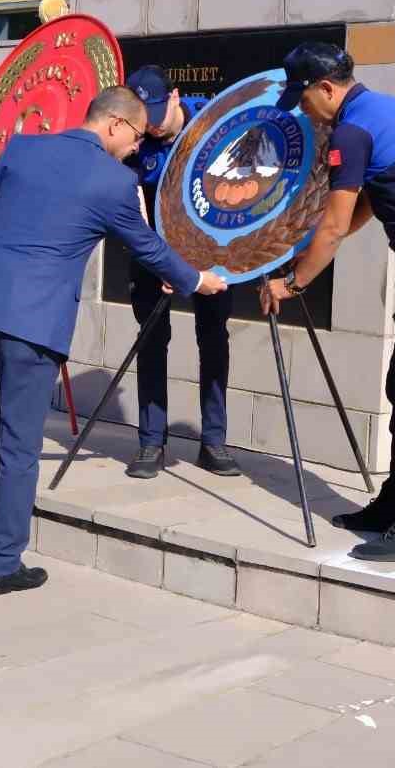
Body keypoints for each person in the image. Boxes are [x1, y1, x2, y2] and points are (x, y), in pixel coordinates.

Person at [0, 87, 229, 595]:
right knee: (18, 446)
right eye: (134, 136)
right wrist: (198, 280)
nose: (136, 147)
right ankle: (2, 565)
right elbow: (148, 247)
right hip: (33, 325)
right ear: (113, 124)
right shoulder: (114, 181)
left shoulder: (23, 148)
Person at [261, 43, 395, 563]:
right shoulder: (387, 110)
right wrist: (304, 249)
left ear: (327, 89)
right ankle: (393, 506)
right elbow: (363, 210)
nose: (304, 111)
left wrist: (291, 283)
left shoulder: (352, 130)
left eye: (305, 99)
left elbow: (336, 226)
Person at [123, 65, 238, 479]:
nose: (151, 127)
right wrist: (161, 260)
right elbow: (130, 205)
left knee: (214, 339)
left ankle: (214, 441)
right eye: (143, 119)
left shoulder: (211, 122)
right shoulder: (135, 142)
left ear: (175, 96)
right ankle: (151, 442)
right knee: (152, 342)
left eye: (157, 114)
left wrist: (197, 261)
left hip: (211, 253)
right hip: (153, 252)